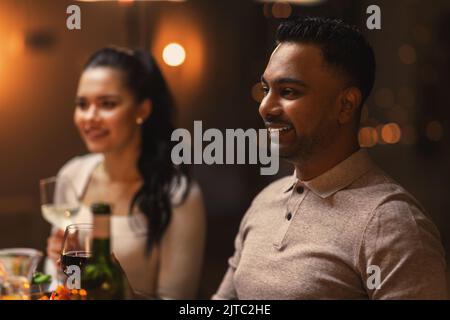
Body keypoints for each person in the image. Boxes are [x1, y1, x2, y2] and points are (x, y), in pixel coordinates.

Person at [213, 17, 447, 300]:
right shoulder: (265, 201)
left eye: (288, 92)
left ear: (346, 105)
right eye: (266, 90)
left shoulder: (393, 225)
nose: (266, 107)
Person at [46, 46, 206, 299]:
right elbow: (62, 286)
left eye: (107, 104)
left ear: (142, 110)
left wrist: (124, 293)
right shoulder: (72, 174)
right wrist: (63, 266)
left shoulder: (178, 195)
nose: (90, 117)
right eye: (82, 104)